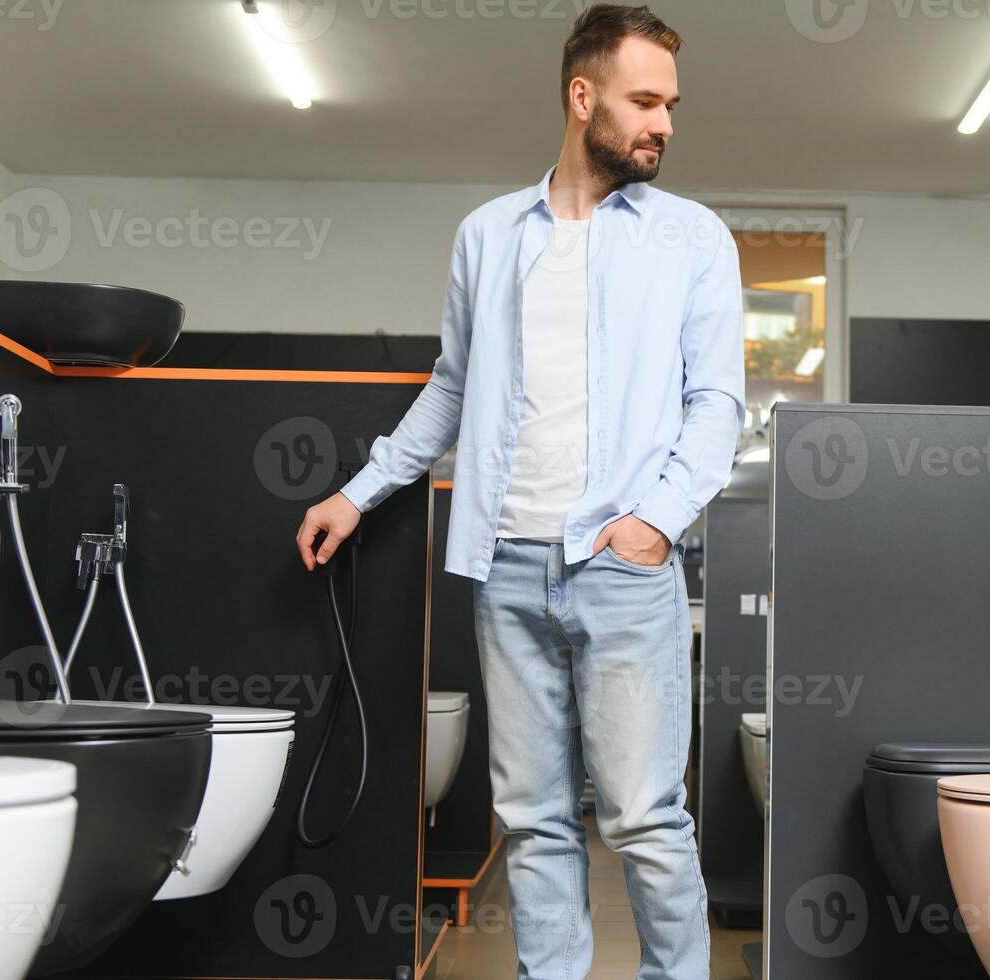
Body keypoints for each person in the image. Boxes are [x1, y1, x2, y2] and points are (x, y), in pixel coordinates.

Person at [295, 5, 744, 977]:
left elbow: (717, 406)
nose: (664, 121)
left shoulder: (693, 240)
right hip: (505, 565)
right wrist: (358, 492)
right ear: (582, 97)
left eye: (672, 102)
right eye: (644, 100)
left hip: (622, 570)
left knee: (644, 817)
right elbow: (452, 387)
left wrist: (653, 524)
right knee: (537, 820)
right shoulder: (488, 235)